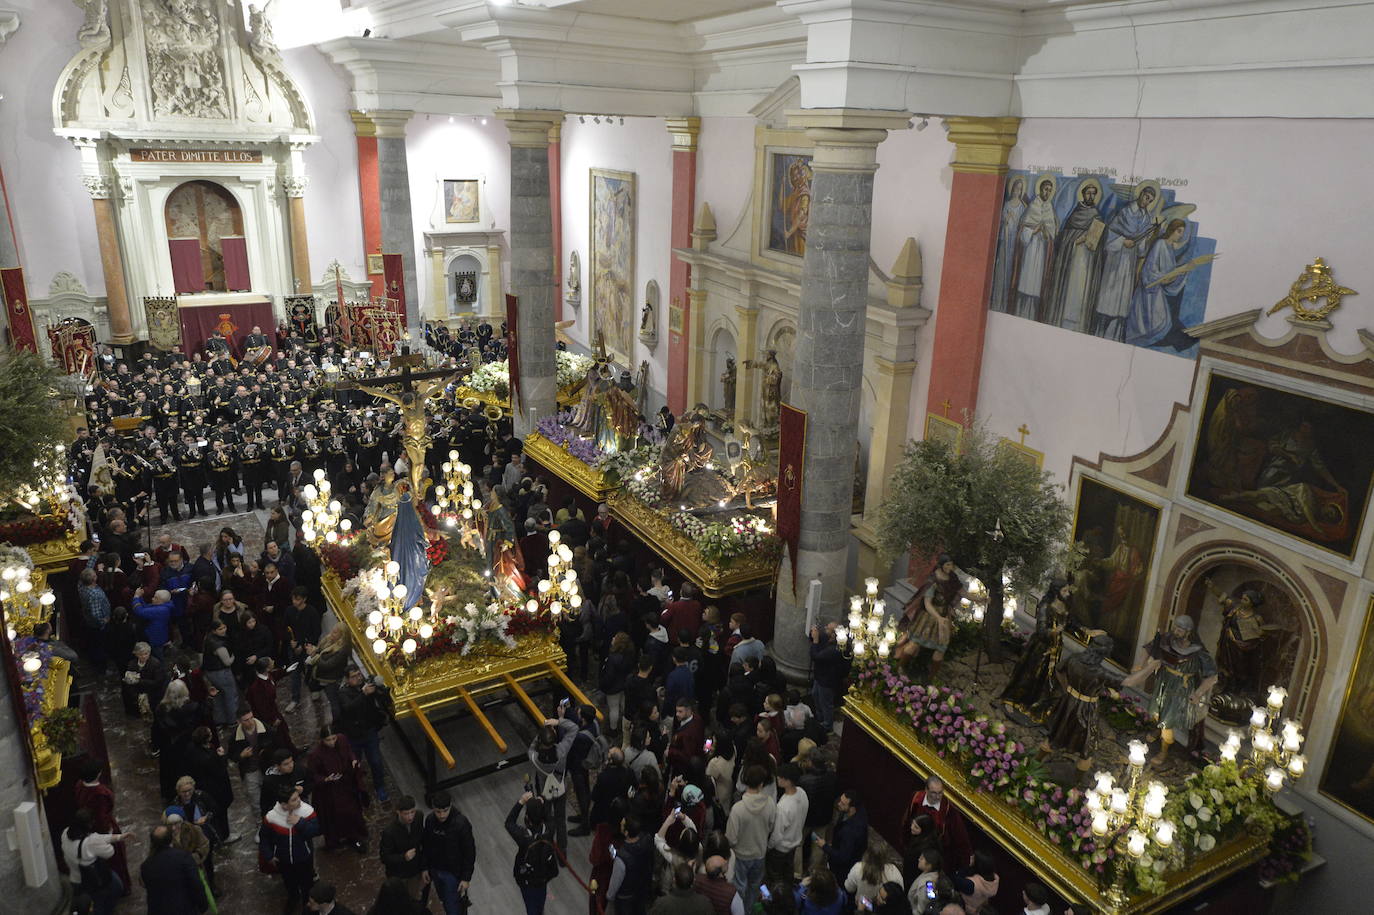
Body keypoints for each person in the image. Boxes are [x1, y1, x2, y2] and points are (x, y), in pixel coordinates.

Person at [1122, 615, 1218, 766]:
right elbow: (1150, 648)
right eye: (1175, 628)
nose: (1176, 631)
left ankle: (1164, 750)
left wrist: (1198, 693)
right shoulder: (1167, 639)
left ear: (1188, 632)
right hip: (1164, 681)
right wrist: (1140, 664)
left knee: (1168, 721)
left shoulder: (1198, 652)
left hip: (1180, 689)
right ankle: (1157, 729)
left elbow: (1212, 676)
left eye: (1180, 629)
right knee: (1156, 710)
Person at [306, 725, 369, 852]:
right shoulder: (316, 755)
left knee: (352, 811)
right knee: (333, 817)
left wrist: (353, 760)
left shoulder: (342, 740)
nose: (332, 742)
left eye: (333, 738)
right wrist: (325, 779)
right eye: (328, 740)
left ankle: (354, 836)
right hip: (330, 791)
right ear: (322, 740)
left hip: (346, 784)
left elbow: (349, 751)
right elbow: (312, 775)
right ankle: (335, 841)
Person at [260, 784, 321, 913]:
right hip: (283, 859)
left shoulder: (307, 811)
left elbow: (316, 831)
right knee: (289, 882)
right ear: (284, 805)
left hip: (304, 857)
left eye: (298, 797)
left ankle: (307, 904)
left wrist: (300, 823)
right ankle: (293, 898)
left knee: (307, 884)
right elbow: (264, 837)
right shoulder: (271, 817)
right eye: (294, 800)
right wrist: (269, 855)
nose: (299, 800)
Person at [726, 764, 777, 912]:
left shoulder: (738, 809)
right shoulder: (770, 804)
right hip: (760, 853)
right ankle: (748, 910)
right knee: (754, 887)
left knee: (739, 887)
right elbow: (771, 827)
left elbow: (731, 838)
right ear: (761, 784)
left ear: (745, 781)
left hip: (741, 855)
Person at [339, 666, 393, 801]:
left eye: (359, 675)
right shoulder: (343, 693)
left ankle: (380, 787)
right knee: (355, 764)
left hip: (369, 732)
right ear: (347, 679)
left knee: (376, 762)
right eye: (353, 676)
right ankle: (357, 788)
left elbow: (383, 699)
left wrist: (380, 689)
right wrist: (363, 694)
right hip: (353, 735)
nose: (358, 678)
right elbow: (349, 709)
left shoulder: (366, 685)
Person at [900, 777, 971, 878]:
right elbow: (907, 820)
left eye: (940, 793)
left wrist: (967, 856)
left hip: (933, 854)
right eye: (934, 793)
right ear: (926, 790)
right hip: (915, 848)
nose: (937, 797)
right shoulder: (916, 799)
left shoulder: (948, 809)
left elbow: (960, 834)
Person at [63, 808, 129, 915]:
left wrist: (119, 837)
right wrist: (111, 834)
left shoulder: (65, 834)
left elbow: (97, 839)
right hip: (95, 879)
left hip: (75, 878)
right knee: (105, 899)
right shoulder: (91, 842)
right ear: (89, 825)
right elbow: (110, 852)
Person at [423, 789, 477, 915]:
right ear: (433, 808)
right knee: (444, 900)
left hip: (452, 874)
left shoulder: (461, 824)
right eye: (438, 811)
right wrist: (425, 867)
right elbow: (426, 845)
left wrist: (466, 878)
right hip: (435, 869)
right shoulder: (430, 820)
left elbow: (469, 852)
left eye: (445, 810)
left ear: (451, 805)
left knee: (453, 906)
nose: (442, 815)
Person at [528, 714, 578, 851]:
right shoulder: (562, 751)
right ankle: (562, 850)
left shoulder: (534, 757)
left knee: (547, 818)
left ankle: (547, 845)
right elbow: (574, 728)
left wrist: (542, 733)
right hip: (560, 789)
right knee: (560, 820)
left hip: (544, 791)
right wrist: (558, 721)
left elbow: (531, 747)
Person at [507, 790, 561, 914]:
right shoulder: (549, 831)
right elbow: (549, 818)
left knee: (531, 907)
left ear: (527, 818)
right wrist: (542, 803)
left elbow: (509, 823)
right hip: (544, 877)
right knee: (539, 904)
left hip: (527, 881)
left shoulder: (524, 837)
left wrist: (521, 802)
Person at [140, 823, 209, 915]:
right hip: (183, 908)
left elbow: (144, 884)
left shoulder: (146, 866)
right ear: (170, 839)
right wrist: (203, 905)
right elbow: (196, 884)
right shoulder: (183, 858)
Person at [768, 762, 809, 891]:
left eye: (780, 777)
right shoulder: (802, 793)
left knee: (775, 876)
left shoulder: (783, 806)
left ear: (787, 781)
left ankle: (777, 896)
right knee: (788, 872)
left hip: (780, 848)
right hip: (794, 843)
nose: (777, 779)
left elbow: (777, 834)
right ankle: (789, 893)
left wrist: (768, 847)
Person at [380, 795, 429, 900]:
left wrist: (424, 867)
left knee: (413, 897)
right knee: (399, 900)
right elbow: (385, 857)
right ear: (398, 812)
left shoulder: (418, 817)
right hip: (399, 875)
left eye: (412, 812)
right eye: (406, 813)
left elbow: (423, 843)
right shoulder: (389, 832)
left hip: (415, 871)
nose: (410, 817)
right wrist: (404, 857)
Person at [818, 788, 868, 887]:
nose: (839, 804)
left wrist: (825, 846)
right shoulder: (859, 812)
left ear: (852, 808)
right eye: (840, 800)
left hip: (842, 871)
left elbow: (843, 857)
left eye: (843, 803)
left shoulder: (850, 831)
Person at [607, 813, 654, 915]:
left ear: (626, 833)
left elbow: (615, 883)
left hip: (624, 898)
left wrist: (609, 897)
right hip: (640, 891)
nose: (620, 824)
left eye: (622, 825)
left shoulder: (621, 859)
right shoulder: (647, 839)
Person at [844, 845, 904, 910]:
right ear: (885, 858)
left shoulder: (858, 868)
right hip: (884, 909)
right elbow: (900, 893)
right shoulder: (894, 871)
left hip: (862, 906)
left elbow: (849, 888)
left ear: (867, 855)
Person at [953, 850, 1000, 915]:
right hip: (977, 908)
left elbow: (955, 879)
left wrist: (969, 865)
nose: (971, 857)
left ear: (977, 864)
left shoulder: (971, 884)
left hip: (963, 909)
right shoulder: (994, 878)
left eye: (974, 857)